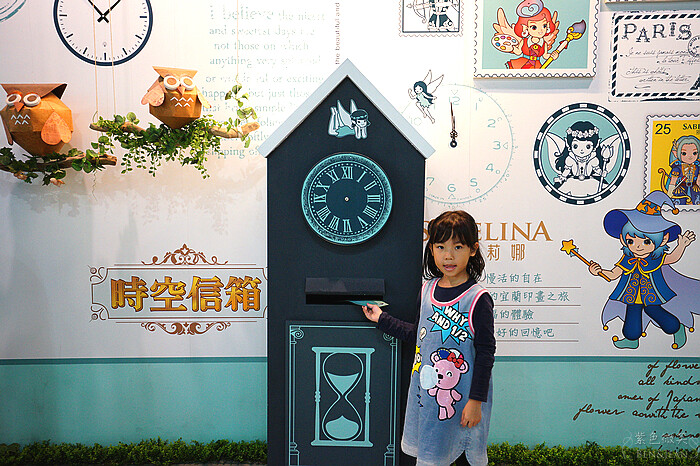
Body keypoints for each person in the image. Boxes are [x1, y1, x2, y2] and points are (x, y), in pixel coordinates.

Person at [362, 210, 496, 466]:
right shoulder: (427, 290)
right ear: (431, 249)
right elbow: (419, 335)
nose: (448, 255)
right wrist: (382, 319)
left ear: (473, 249)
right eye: (441, 247)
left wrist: (476, 401)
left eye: (458, 247)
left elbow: (486, 354)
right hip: (428, 401)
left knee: (462, 452)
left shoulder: (478, 298)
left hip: (464, 401)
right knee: (433, 454)